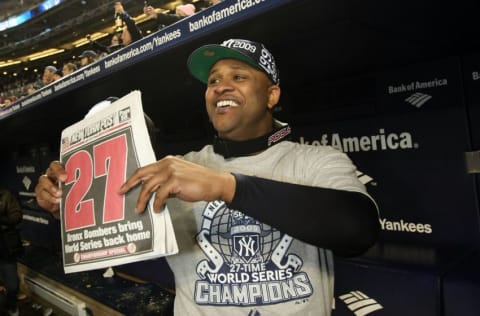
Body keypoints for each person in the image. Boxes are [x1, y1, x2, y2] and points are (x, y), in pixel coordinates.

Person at [35, 38, 380, 315]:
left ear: (272, 94)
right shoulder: (175, 169)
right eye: (213, 80)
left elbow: (357, 231)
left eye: (238, 77)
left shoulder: (316, 161)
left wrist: (223, 185)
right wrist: (65, 202)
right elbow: (112, 224)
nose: (221, 87)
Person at [0, 188, 23, 316]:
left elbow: (17, 216)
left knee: (12, 285)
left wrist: (2, 219)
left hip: (5, 249)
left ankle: (11, 306)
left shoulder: (5, 195)